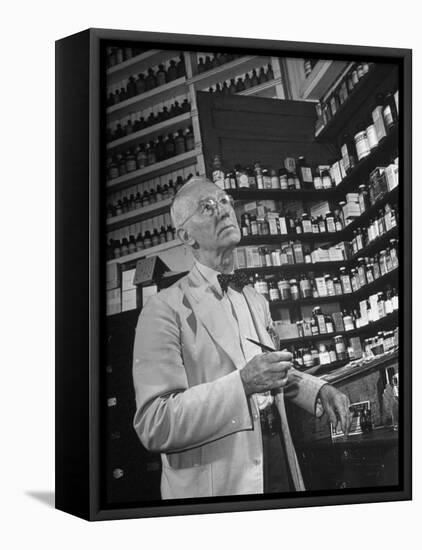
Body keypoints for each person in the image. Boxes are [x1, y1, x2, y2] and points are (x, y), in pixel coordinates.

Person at [132, 176, 351, 499]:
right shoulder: (162, 309)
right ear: (186, 236)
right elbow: (155, 423)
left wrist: (318, 390)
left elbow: (270, 375)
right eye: (207, 207)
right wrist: (242, 383)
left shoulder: (253, 297)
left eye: (225, 201)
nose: (223, 211)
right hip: (220, 481)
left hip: (277, 457)